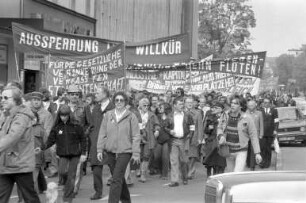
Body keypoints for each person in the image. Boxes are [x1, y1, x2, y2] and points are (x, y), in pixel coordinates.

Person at [97, 91, 141, 203]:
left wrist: (136, 153)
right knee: (119, 177)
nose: (119, 102)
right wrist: (99, 150)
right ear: (114, 101)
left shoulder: (132, 116)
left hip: (125, 151)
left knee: (115, 179)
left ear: (125, 102)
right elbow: (102, 133)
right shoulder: (108, 115)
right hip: (110, 151)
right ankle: (126, 200)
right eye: (117, 100)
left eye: (121, 100)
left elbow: (136, 136)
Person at [0, 86, 41, 203]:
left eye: (6, 97)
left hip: (21, 166)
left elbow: (12, 137)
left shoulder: (22, 117)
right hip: (5, 165)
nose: (2, 100)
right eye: (1, 97)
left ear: (16, 100)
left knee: (30, 198)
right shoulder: (5, 116)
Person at [42, 105, 87, 203]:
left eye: (66, 115)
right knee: (62, 172)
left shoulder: (76, 125)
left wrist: (84, 153)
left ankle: (67, 198)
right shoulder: (57, 127)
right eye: (62, 115)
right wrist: (42, 148)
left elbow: (83, 139)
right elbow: (51, 140)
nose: (64, 117)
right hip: (63, 154)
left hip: (75, 154)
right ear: (59, 115)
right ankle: (67, 185)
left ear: (69, 115)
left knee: (71, 175)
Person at [217, 97, 262, 172]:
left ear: (241, 106)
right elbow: (219, 127)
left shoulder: (247, 118)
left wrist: (257, 153)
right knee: (230, 175)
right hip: (228, 151)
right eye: (232, 103)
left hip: (241, 151)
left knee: (237, 174)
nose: (232, 105)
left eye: (235, 103)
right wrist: (220, 136)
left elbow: (253, 136)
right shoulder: (225, 115)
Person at [89, 87, 115, 200]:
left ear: (105, 94)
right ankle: (98, 192)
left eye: (97, 93)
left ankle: (119, 191)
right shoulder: (96, 108)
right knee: (96, 167)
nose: (95, 95)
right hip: (96, 141)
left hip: (111, 141)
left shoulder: (114, 107)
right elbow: (92, 124)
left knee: (115, 168)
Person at [168, 97, 194, 187]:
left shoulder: (187, 115)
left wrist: (189, 136)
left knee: (184, 160)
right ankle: (174, 180)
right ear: (174, 105)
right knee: (174, 161)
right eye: (180, 104)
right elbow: (165, 126)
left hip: (184, 140)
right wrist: (169, 131)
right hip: (173, 140)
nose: (182, 106)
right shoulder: (170, 115)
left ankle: (185, 177)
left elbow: (192, 127)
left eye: (182, 104)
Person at [137, 97, 160, 182]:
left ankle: (143, 174)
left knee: (146, 156)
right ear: (140, 106)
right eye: (144, 105)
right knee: (139, 155)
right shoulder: (136, 114)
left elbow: (157, 124)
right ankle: (139, 169)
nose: (146, 107)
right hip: (138, 137)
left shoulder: (152, 115)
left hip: (149, 137)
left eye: (147, 105)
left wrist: (157, 130)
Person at [202, 101, 226, 176]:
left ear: (221, 109)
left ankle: (219, 176)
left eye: (216, 108)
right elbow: (205, 130)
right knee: (210, 161)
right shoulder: (210, 117)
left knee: (220, 162)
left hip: (221, 142)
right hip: (211, 141)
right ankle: (209, 176)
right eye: (213, 108)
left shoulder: (225, 117)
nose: (214, 109)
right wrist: (209, 128)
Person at [184, 96, 203, 180]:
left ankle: (190, 170)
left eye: (191, 102)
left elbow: (200, 126)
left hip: (194, 137)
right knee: (185, 156)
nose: (189, 104)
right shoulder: (181, 112)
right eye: (188, 102)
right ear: (185, 103)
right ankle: (187, 170)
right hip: (184, 137)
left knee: (192, 156)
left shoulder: (198, 113)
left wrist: (200, 138)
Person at [154, 102, 172, 179]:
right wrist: (155, 130)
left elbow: (172, 128)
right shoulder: (157, 116)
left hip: (167, 139)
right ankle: (160, 171)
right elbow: (154, 125)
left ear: (166, 108)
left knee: (165, 157)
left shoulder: (170, 118)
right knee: (157, 156)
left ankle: (165, 174)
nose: (159, 108)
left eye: (161, 107)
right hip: (158, 139)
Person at [260, 97, 278, 168]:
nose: (265, 104)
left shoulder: (274, 110)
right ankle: (262, 162)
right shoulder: (260, 111)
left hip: (270, 133)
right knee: (262, 148)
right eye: (264, 102)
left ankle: (267, 163)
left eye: (267, 102)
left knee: (268, 148)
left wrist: (275, 129)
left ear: (270, 103)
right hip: (262, 133)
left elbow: (276, 121)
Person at [246, 100, 264, 170]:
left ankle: (252, 166)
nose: (251, 107)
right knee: (248, 150)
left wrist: (261, 134)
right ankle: (248, 163)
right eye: (249, 106)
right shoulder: (245, 113)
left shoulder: (259, 113)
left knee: (254, 150)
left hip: (256, 135)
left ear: (255, 105)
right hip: (247, 135)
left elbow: (261, 124)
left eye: (252, 105)